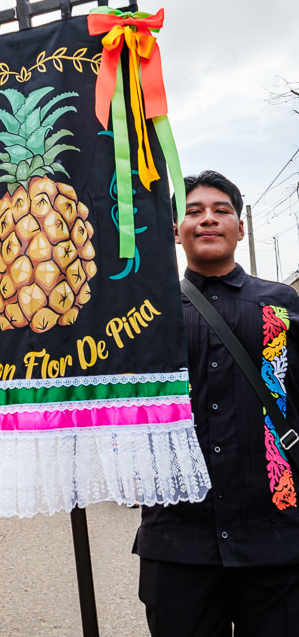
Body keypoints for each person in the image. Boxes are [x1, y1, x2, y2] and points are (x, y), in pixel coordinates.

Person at [133, 170, 299, 637]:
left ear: (240, 228)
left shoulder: (281, 304)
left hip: (275, 536)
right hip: (177, 538)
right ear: (175, 230)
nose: (208, 219)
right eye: (194, 211)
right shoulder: (147, 314)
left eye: (221, 210)